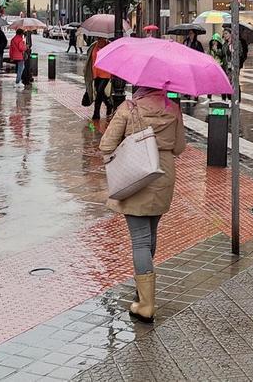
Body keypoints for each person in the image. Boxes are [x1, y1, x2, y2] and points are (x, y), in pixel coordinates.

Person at [98, 85, 186, 323]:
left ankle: (146, 303)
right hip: (163, 174)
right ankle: (142, 289)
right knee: (150, 234)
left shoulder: (129, 108)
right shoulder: (174, 109)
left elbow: (105, 145)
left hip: (135, 174)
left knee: (139, 240)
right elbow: (179, 148)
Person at [85, 37, 115, 120]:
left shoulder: (110, 46)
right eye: (98, 38)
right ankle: (109, 105)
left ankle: (96, 112)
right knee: (99, 92)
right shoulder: (93, 46)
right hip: (96, 73)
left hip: (106, 73)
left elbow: (113, 60)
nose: (99, 40)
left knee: (99, 91)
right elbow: (89, 58)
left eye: (101, 39)